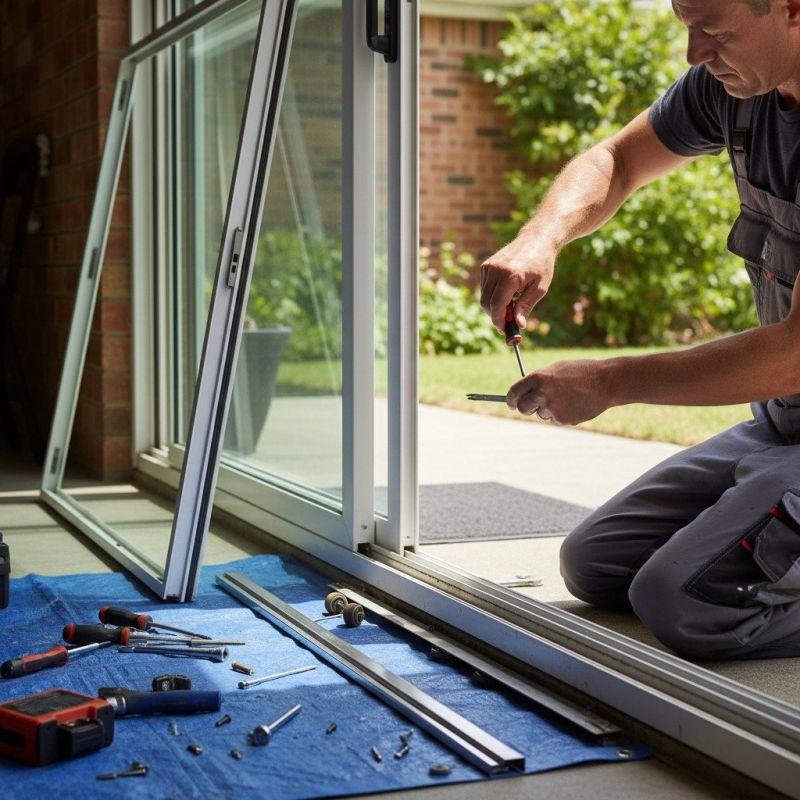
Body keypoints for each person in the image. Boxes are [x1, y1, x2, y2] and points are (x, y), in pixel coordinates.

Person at [479, 0, 800, 660]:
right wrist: (543, 236)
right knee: (595, 565)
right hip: (784, 426)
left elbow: (795, 356)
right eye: (687, 25)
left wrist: (609, 380)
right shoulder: (736, 91)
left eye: (713, 31)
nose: (693, 54)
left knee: (682, 600)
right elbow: (618, 161)